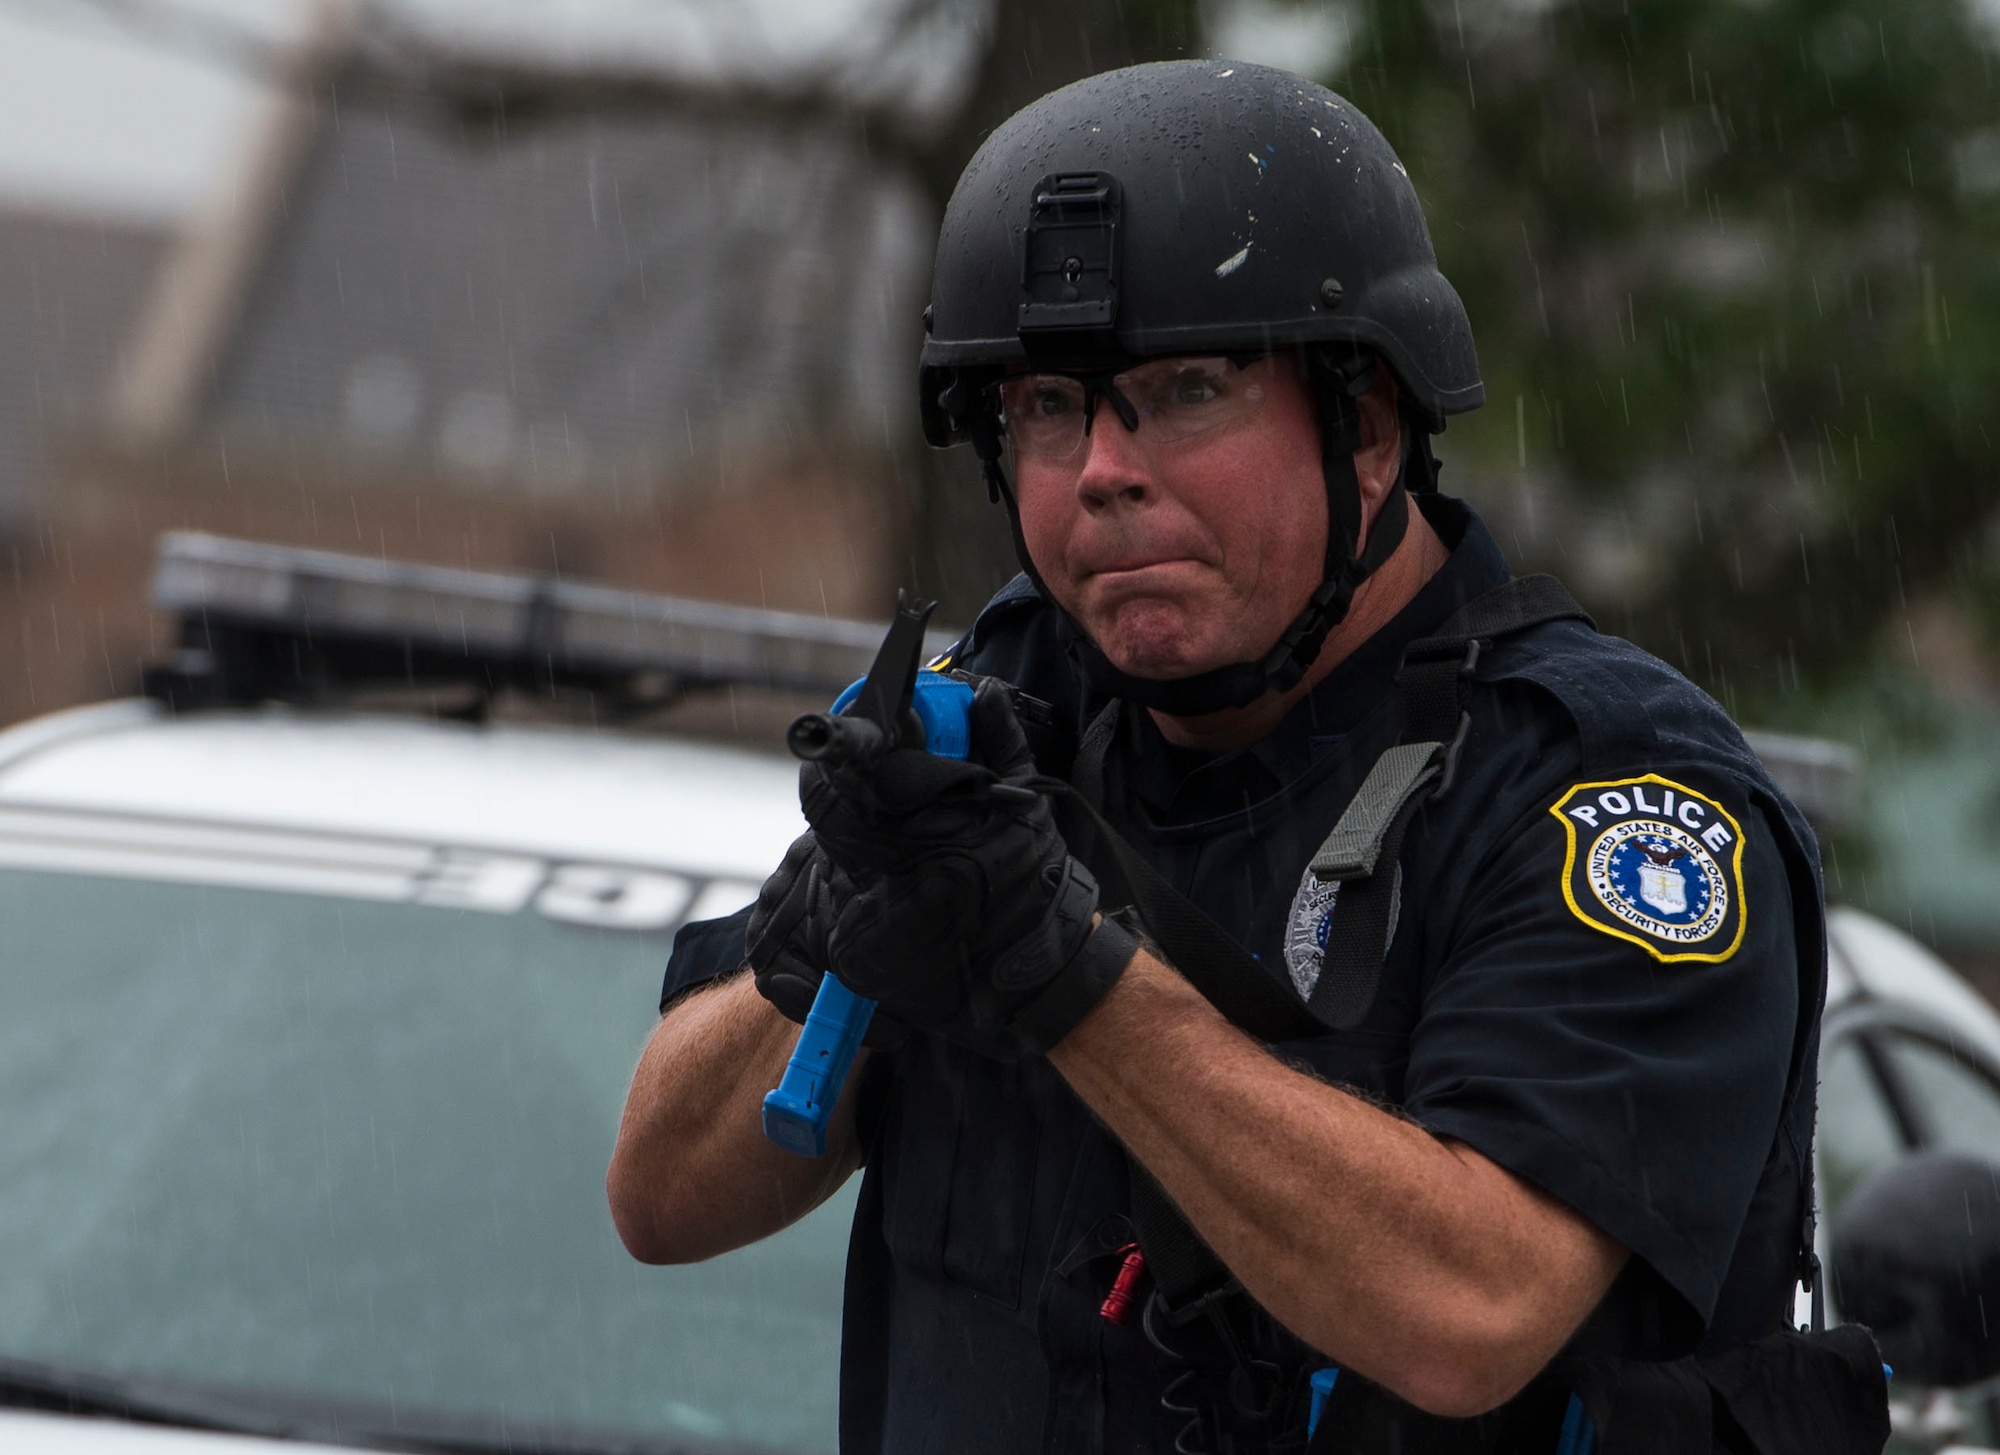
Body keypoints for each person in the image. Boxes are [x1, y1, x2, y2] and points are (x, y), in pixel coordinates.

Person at [608, 60, 1888, 1454]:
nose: (1103, 466)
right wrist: (837, 927)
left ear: (1372, 428)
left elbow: (1468, 1311)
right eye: (1046, 406)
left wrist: (1066, 973)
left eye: (1190, 387)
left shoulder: (1608, 797)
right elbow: (660, 1201)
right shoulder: (996, 714)